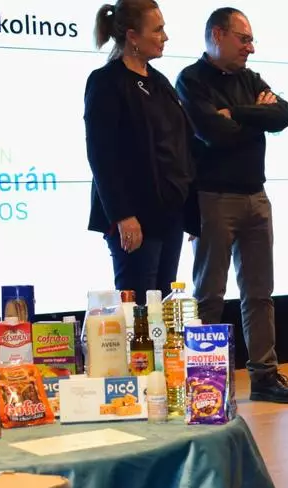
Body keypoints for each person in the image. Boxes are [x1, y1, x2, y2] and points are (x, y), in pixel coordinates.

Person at [175, 7, 288, 404]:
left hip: (256, 197)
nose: (251, 47)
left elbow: (284, 114)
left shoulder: (250, 78)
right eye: (244, 39)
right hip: (213, 198)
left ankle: (264, 377)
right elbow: (215, 133)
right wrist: (256, 116)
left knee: (260, 293)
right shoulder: (191, 80)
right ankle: (204, 384)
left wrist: (238, 113)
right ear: (218, 35)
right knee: (209, 296)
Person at [84, 0, 193, 305]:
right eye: (157, 30)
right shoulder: (106, 82)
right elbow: (101, 155)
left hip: (169, 214)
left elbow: (180, 145)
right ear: (132, 36)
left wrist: (191, 213)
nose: (165, 37)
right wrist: (123, 215)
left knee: (165, 307)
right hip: (135, 217)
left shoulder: (160, 82)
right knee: (139, 309)